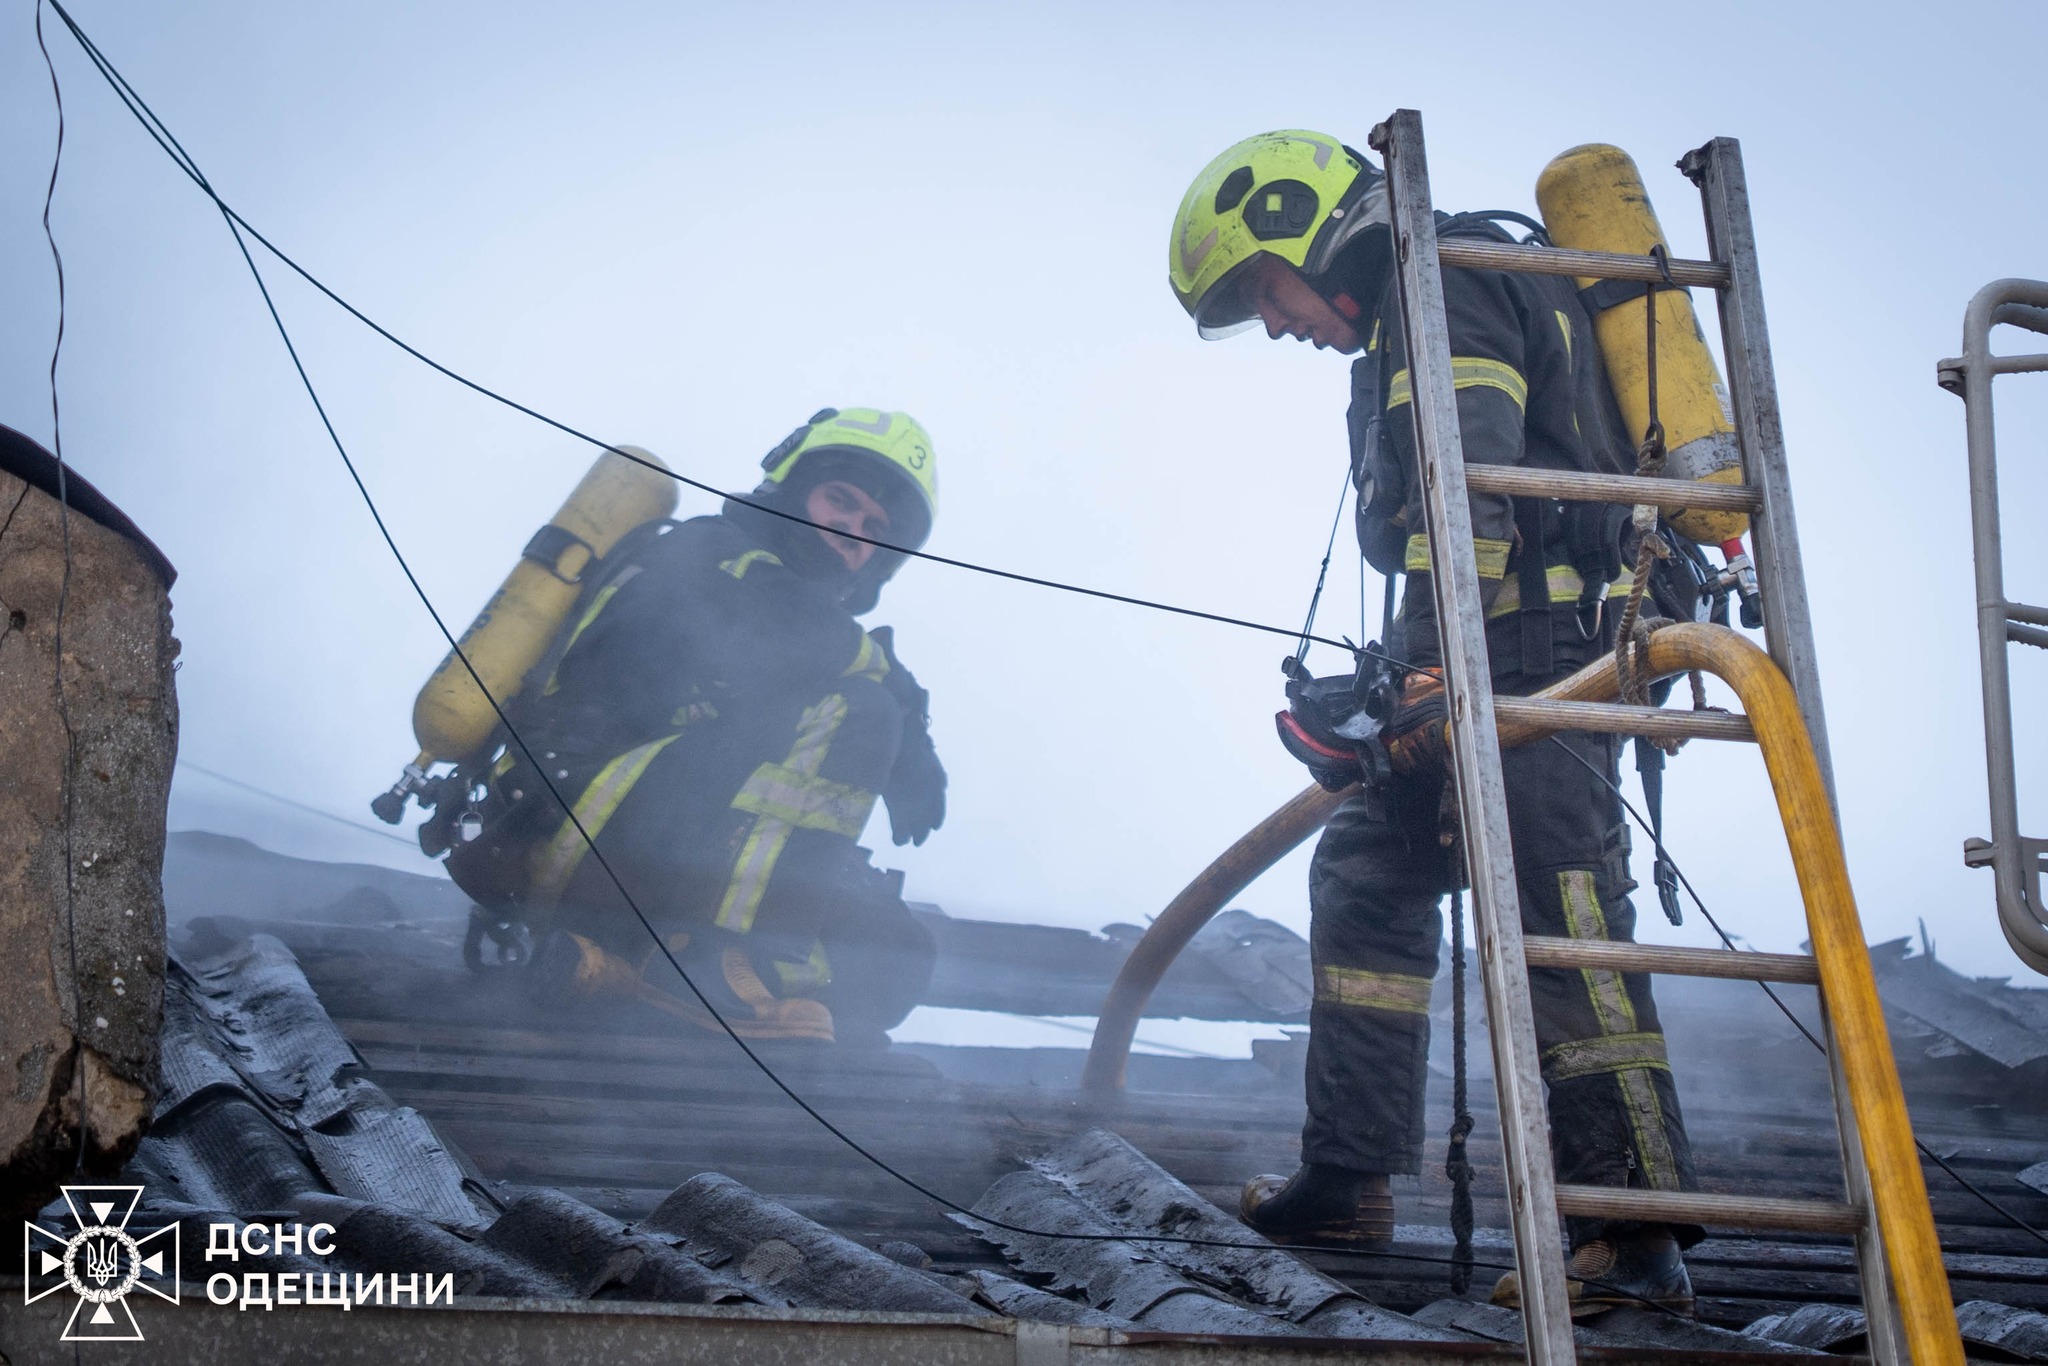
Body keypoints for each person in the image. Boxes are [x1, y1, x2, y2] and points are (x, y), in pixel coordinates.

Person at [1167, 131, 1702, 1315]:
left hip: (1536, 653)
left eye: (1264, 287)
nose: (1275, 323)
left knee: (1559, 912)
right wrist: (1406, 677)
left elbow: (1470, 490)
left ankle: (1632, 1230)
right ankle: (1349, 1173)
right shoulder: (1425, 298)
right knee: (1368, 867)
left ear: (1305, 231)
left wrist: (1429, 670)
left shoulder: (1442, 284)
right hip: (1478, 646)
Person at [447, 408, 947, 1048]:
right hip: (571, 829)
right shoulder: (708, 553)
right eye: (840, 500)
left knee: (896, 956)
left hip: (653, 860)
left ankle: (623, 972)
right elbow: (804, 634)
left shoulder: (802, 623)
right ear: (792, 489)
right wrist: (908, 720)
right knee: (861, 713)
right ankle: (716, 968)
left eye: (875, 528)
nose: (853, 530)